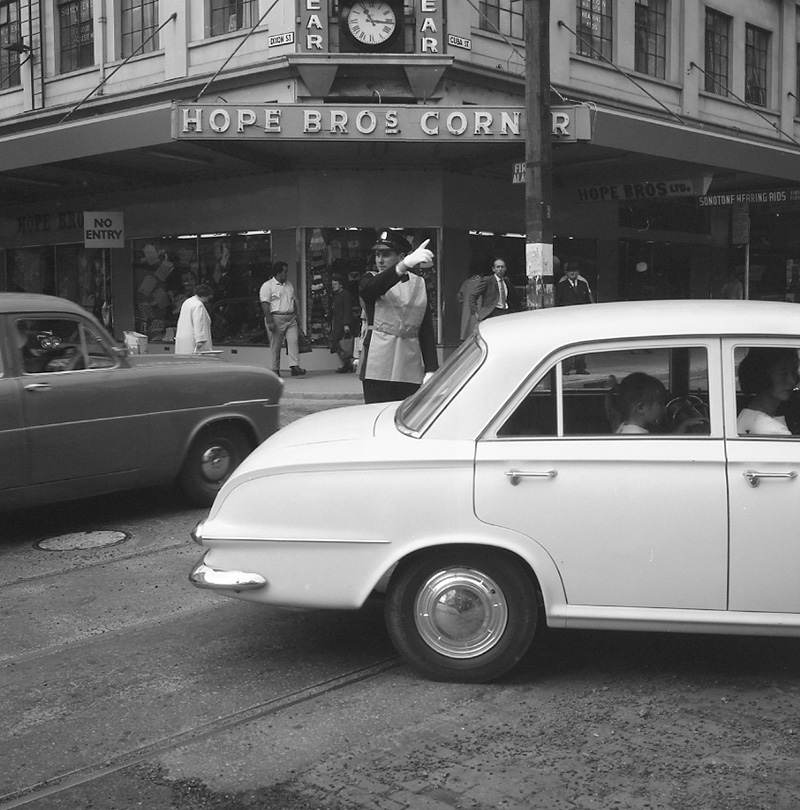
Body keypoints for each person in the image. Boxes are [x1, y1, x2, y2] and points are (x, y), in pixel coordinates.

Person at [358, 230, 439, 404]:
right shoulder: (369, 279)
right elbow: (372, 288)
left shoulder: (419, 283)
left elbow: (425, 329)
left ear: (401, 255)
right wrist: (403, 266)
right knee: (376, 416)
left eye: (386, 255)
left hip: (408, 363)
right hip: (377, 362)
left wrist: (432, 368)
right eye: (377, 255)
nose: (379, 260)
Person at [607, 372, 707, 434]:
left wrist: (683, 426)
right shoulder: (636, 436)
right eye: (659, 404)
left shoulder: (624, 427)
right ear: (641, 407)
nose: (664, 409)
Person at [737, 347, 799, 436]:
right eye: (783, 374)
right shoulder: (772, 430)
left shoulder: (747, 414)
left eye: (794, 373)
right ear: (763, 376)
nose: (792, 381)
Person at [259, 261, 306, 378]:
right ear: (278, 273)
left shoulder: (289, 285)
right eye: (285, 272)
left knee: (294, 340)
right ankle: (275, 368)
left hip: (290, 317)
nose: (287, 274)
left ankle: (294, 366)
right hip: (276, 317)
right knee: (276, 345)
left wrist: (297, 316)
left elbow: (294, 301)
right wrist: (269, 321)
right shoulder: (268, 286)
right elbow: (265, 304)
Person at [555, 259, 595, 374]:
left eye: (574, 271)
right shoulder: (561, 286)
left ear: (578, 272)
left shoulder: (583, 284)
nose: (572, 273)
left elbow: (588, 301)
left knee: (582, 343)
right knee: (567, 343)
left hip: (581, 319)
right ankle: (566, 368)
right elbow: (558, 303)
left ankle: (580, 366)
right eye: (570, 271)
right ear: (566, 273)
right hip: (567, 319)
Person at [468, 257, 523, 323]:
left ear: (505, 269)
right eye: (498, 267)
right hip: (492, 312)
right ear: (493, 269)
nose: (500, 269)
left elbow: (515, 296)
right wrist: (475, 313)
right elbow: (472, 296)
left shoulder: (506, 281)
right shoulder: (488, 280)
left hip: (506, 312)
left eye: (502, 267)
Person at [174, 283, 214, 355]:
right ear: (203, 296)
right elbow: (199, 324)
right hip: (193, 342)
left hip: (183, 339)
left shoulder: (187, 302)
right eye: (208, 298)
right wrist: (200, 342)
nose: (207, 300)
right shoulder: (198, 305)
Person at [330, 275, 356, 373]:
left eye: (336, 284)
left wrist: (346, 324)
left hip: (342, 323)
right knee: (337, 344)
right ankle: (346, 364)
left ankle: (346, 364)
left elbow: (347, 309)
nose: (334, 286)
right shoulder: (335, 295)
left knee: (343, 344)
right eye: (333, 284)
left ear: (341, 285)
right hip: (336, 322)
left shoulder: (345, 294)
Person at [457, 270, 481, 340]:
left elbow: (459, 298)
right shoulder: (483, 282)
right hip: (478, 312)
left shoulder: (466, 283)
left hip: (466, 313)